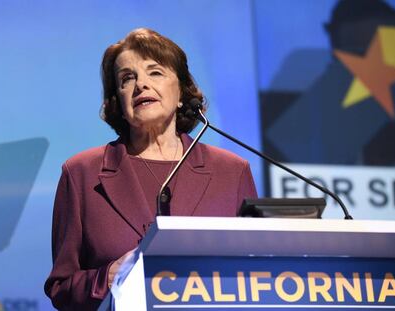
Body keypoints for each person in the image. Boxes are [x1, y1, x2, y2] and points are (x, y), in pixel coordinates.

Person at [44, 28, 257, 310]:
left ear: (182, 92)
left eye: (155, 72)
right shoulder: (81, 174)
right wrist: (105, 279)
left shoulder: (231, 172)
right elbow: (61, 288)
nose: (141, 85)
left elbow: (256, 271)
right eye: (127, 78)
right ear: (118, 102)